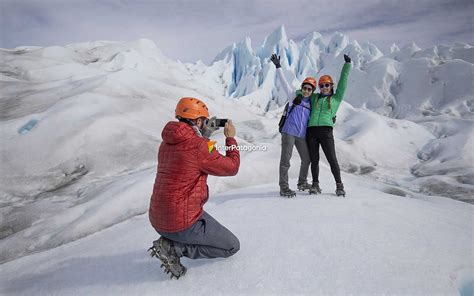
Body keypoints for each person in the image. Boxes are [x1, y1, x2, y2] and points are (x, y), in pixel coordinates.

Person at [148, 97, 240, 279]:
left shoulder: (166, 144)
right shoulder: (200, 147)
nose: (206, 124)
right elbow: (231, 166)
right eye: (204, 121)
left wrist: (204, 138)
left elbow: (190, 154)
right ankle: (173, 248)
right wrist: (230, 138)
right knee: (232, 246)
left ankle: (172, 241)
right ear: (198, 121)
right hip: (181, 222)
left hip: (158, 219)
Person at [306, 54, 352, 196]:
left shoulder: (336, 98)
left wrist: (347, 65)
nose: (324, 87)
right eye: (321, 86)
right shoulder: (314, 97)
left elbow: (343, 83)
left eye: (327, 85)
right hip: (312, 131)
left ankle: (339, 185)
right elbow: (301, 91)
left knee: (332, 159)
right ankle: (315, 185)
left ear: (331, 86)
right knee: (314, 160)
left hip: (326, 131)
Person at [270, 53, 314, 198]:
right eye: (305, 88)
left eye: (309, 89)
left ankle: (302, 182)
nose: (307, 91)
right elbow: (284, 82)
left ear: (312, 91)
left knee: (306, 159)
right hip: (288, 132)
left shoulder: (311, 104)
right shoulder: (294, 97)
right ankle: (284, 187)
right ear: (302, 88)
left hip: (301, 135)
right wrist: (278, 66)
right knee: (285, 161)